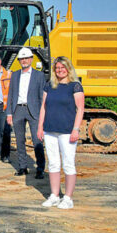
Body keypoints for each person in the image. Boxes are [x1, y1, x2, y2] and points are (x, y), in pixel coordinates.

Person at [37, 56, 85, 209]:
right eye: (57, 68)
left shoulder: (75, 86)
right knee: (53, 164)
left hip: (67, 131)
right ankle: (54, 195)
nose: (60, 70)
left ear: (68, 68)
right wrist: (40, 127)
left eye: (62, 67)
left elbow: (80, 109)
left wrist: (76, 129)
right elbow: (43, 107)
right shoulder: (49, 85)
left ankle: (68, 198)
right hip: (50, 130)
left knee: (68, 164)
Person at [6, 47, 46, 179]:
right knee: (20, 140)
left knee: (37, 140)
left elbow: (42, 97)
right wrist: (9, 113)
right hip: (18, 109)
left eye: (26, 58)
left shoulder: (39, 76)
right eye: (21, 59)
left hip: (34, 110)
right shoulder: (15, 75)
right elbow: (11, 94)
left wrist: (42, 114)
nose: (24, 60)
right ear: (18, 60)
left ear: (31, 59)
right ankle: (22, 167)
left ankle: (40, 168)